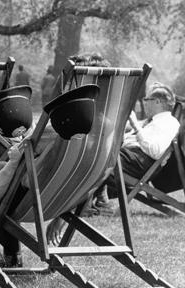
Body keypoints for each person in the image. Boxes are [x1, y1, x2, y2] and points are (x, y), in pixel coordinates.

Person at [0, 53, 113, 266]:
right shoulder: (108, 127)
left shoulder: (60, 125)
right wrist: (66, 212)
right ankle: (6, 254)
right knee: (0, 168)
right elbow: (97, 173)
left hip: (34, 196)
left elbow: (18, 154)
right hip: (65, 196)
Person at [46, 81, 180, 245]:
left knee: (94, 160)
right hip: (132, 157)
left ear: (158, 101)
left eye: (147, 99)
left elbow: (156, 150)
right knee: (93, 155)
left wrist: (136, 126)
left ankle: (68, 212)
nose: (144, 103)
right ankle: (89, 203)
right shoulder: (154, 122)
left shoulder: (169, 123)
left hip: (138, 162)